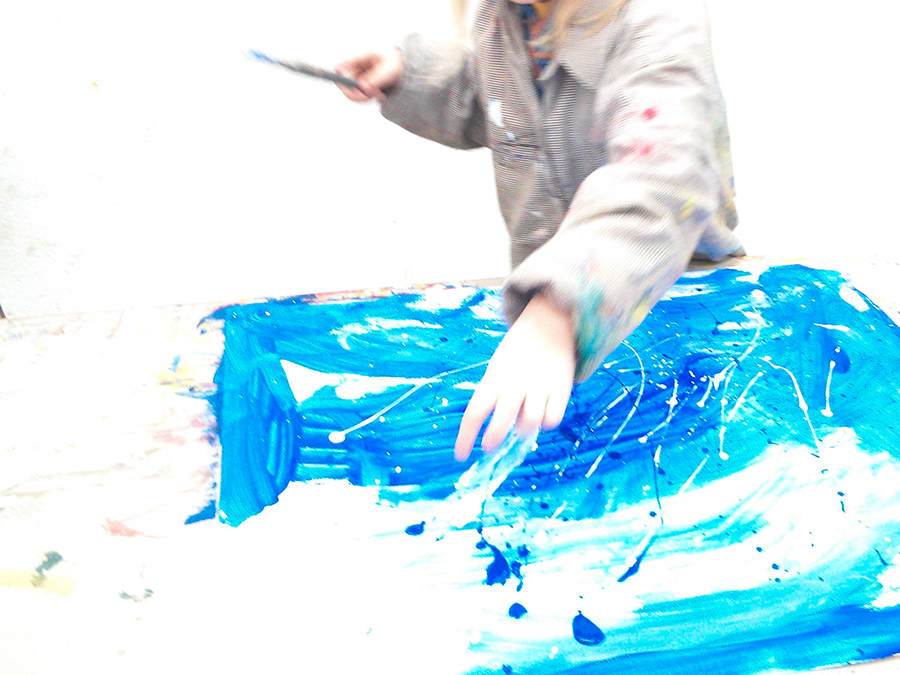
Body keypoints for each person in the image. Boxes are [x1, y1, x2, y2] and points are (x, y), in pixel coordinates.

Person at [335, 0, 743, 462]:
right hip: (548, 325)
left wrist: (559, 310)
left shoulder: (659, 17)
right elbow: (496, 106)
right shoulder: (505, 17)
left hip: (668, 304)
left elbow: (661, 180)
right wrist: (411, 76)